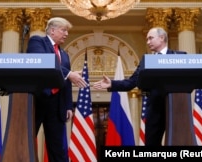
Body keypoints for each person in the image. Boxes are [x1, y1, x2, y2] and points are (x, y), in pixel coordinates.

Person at [93, 27, 187, 146]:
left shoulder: (179, 56)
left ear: (162, 38)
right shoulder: (146, 60)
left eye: (150, 38)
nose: (148, 42)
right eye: (147, 39)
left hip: (177, 108)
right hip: (155, 109)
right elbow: (131, 82)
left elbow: (187, 78)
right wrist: (112, 84)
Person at [26, 17, 87, 162]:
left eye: (67, 31)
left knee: (58, 148)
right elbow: (41, 60)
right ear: (52, 30)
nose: (66, 34)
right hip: (38, 101)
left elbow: (66, 83)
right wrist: (68, 73)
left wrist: (68, 106)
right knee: (26, 140)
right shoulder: (37, 41)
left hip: (57, 105)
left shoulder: (64, 54)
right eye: (63, 30)